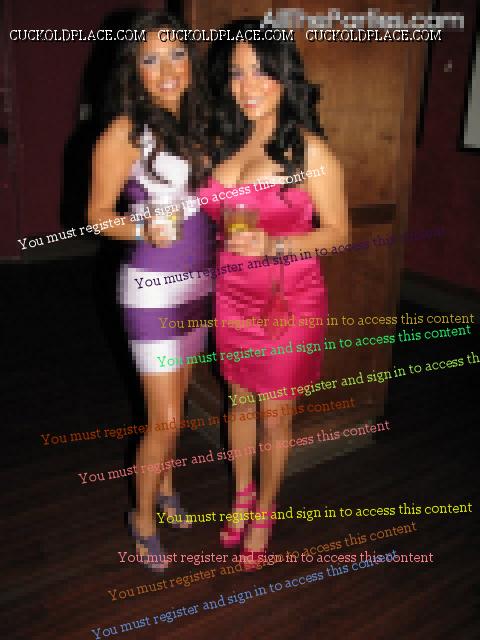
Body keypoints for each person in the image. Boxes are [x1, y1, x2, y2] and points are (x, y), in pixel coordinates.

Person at [199, 18, 349, 570]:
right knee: (237, 401)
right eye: (237, 73)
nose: (248, 85)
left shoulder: (309, 151)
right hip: (232, 293)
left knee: (275, 415)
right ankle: (241, 494)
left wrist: (276, 243)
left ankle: (265, 510)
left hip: (287, 299)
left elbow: (339, 233)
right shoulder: (224, 141)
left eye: (261, 71)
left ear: (285, 77)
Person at [87, 12, 211, 571]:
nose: (167, 70)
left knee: (177, 404)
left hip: (199, 283)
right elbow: (95, 215)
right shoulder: (122, 133)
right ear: (133, 70)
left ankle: (165, 487)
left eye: (177, 54)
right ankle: (141, 519)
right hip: (152, 292)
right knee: (162, 419)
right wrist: (141, 227)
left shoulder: (200, 123)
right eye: (151, 59)